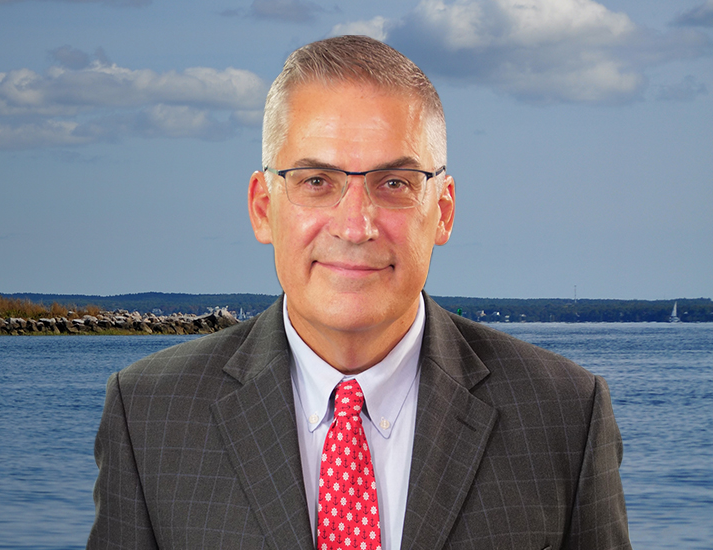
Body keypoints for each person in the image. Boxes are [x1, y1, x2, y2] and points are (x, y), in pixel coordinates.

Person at [87, 35, 629, 550]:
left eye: (394, 183)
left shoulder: (565, 413)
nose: (355, 225)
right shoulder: (149, 413)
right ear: (262, 208)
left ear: (442, 210)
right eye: (316, 181)